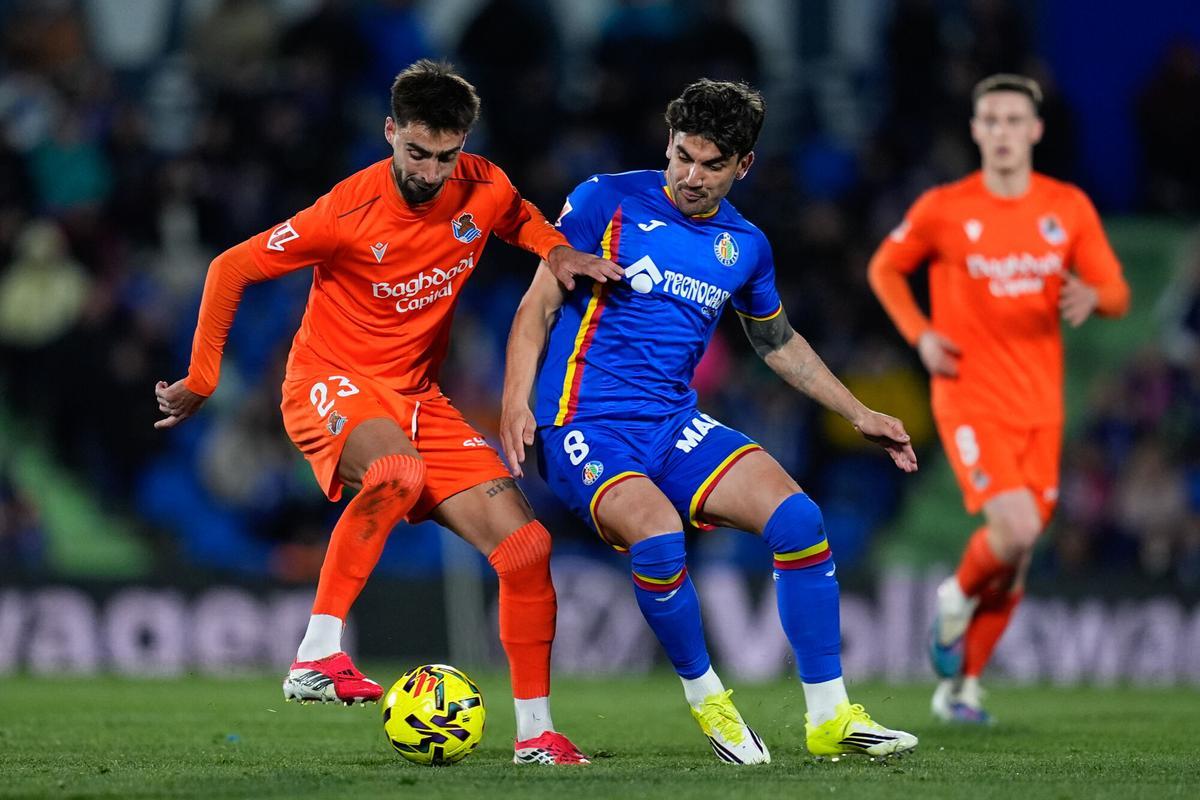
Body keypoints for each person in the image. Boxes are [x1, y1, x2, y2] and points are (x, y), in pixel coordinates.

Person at [154, 59, 622, 765]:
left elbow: (518, 215)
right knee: (397, 472)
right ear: (389, 132)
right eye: (416, 152)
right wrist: (202, 377)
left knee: (527, 549)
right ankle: (317, 654)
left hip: (418, 397)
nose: (430, 172)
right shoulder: (345, 212)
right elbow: (230, 268)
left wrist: (556, 252)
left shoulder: (482, 184)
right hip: (329, 382)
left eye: (445, 156)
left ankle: (535, 736)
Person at [500, 78, 920, 764]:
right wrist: (515, 399)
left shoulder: (745, 245)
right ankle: (710, 702)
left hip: (672, 424)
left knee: (800, 520)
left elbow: (776, 341)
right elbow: (538, 304)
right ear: (668, 144)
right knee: (659, 533)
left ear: (743, 165)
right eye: (682, 156)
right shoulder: (605, 200)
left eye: (711, 164)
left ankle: (830, 715)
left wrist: (858, 411)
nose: (691, 176)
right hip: (582, 423)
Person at [867, 74, 1130, 723]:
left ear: (1035, 130)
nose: (1003, 132)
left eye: (1015, 120)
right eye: (991, 120)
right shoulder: (945, 208)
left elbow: (1117, 291)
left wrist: (1094, 297)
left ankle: (961, 689)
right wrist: (921, 334)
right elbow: (885, 267)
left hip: (1041, 407)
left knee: (1016, 560)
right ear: (976, 131)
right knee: (1016, 530)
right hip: (969, 396)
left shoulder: (1067, 207)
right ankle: (954, 597)